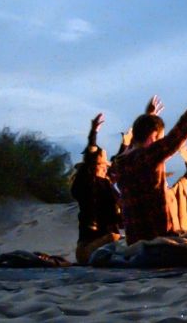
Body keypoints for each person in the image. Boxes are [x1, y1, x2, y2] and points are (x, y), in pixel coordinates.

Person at [112, 71, 187, 245]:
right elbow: (183, 128)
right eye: (159, 138)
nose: (160, 143)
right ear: (153, 137)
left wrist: (149, 117)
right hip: (159, 243)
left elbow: (132, 146)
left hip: (135, 243)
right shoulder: (147, 157)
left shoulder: (121, 164)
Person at [70, 113, 123, 264]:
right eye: (103, 165)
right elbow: (91, 155)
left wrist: (126, 144)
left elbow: (117, 166)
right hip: (88, 248)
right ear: (95, 166)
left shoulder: (105, 184)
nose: (106, 168)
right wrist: (93, 134)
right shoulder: (87, 182)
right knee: (115, 238)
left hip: (107, 244)